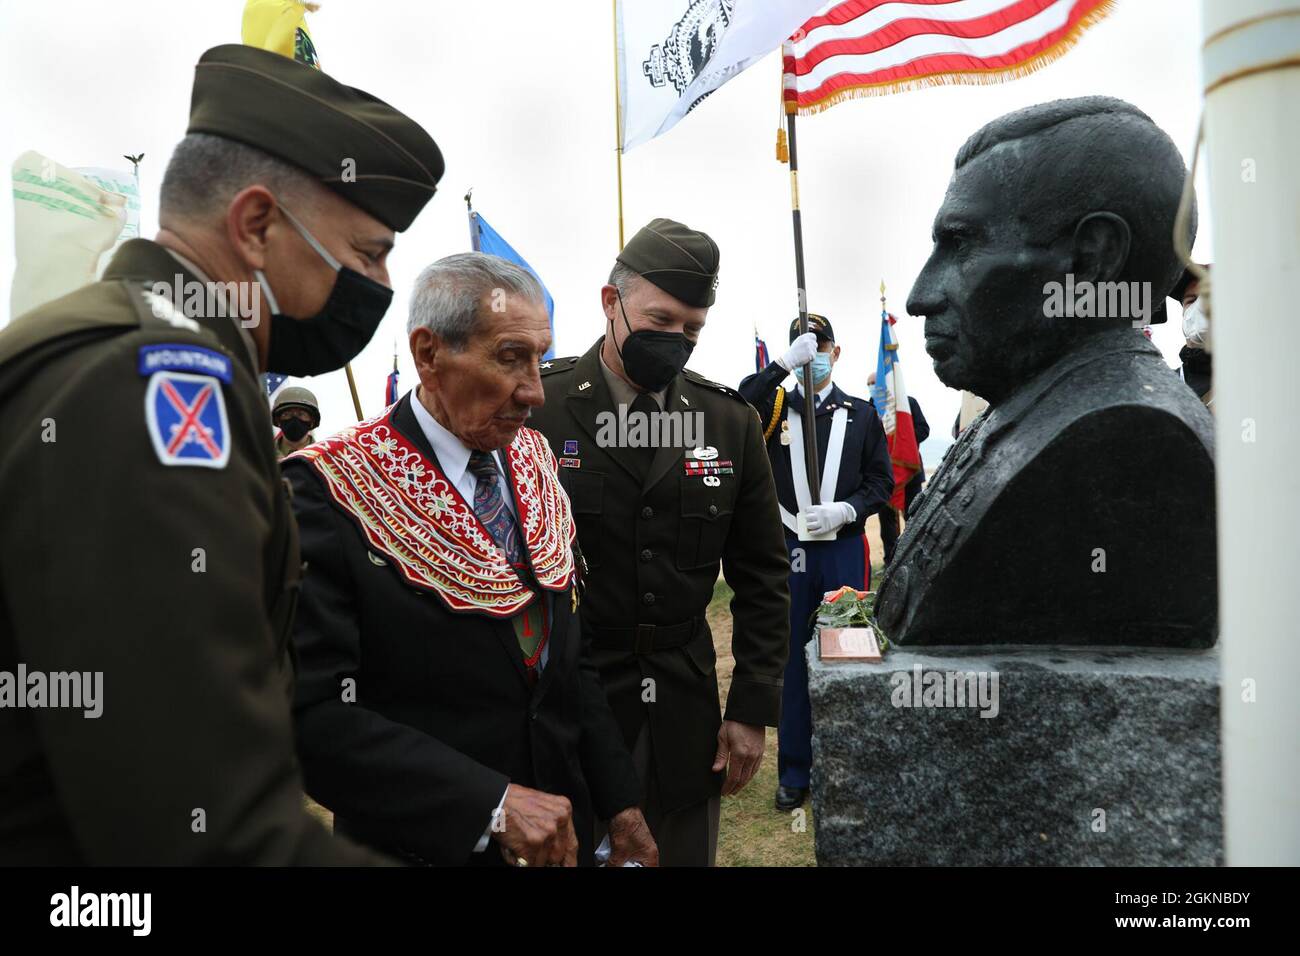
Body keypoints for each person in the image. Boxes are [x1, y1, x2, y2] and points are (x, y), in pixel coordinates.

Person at [0, 43, 443, 864]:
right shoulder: (158, 383)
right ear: (257, 225)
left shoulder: (139, 347)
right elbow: (202, 829)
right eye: (369, 252)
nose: (380, 283)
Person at [284, 253, 657, 867]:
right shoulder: (328, 493)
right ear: (429, 354)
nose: (535, 391)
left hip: (562, 840)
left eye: (540, 359)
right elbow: (311, 719)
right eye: (510, 357)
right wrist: (490, 805)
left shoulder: (534, 461)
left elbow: (568, 662)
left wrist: (620, 802)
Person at [876, 96, 1217, 648]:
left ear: (1091, 260)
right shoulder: (1032, 408)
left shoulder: (1133, 439)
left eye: (960, 244)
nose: (920, 297)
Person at [529, 219, 790, 866]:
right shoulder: (539, 408)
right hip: (569, 707)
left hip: (683, 711)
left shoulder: (729, 423)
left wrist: (751, 707)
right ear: (609, 303)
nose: (677, 341)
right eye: (662, 320)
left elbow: (763, 576)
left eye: (693, 329)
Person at [738, 314, 893, 812]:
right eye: (805, 345)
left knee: (846, 654)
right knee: (791, 663)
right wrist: (782, 364)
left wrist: (849, 509)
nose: (814, 352)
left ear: (836, 351)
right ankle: (796, 772)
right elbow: (740, 404)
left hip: (843, 549)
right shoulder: (774, 407)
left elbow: (881, 482)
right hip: (791, 550)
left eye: (820, 343)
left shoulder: (863, 414)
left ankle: (848, 765)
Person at [865, 370, 930, 565]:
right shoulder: (869, 407)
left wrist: (901, 443)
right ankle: (890, 562)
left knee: (914, 518)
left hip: (909, 472)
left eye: (875, 382)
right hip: (883, 475)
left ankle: (916, 561)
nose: (871, 387)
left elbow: (923, 429)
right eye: (868, 384)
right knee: (887, 524)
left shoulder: (907, 403)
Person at [1173, 265, 1212, 404]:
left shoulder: (1257, 382)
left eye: (1209, 296)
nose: (1200, 307)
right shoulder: (1163, 386)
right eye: (1191, 300)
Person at [273, 385, 320, 457]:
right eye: (287, 414)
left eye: (301, 414)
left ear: (312, 421)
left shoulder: (326, 458)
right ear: (278, 420)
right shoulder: (261, 456)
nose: (294, 419)